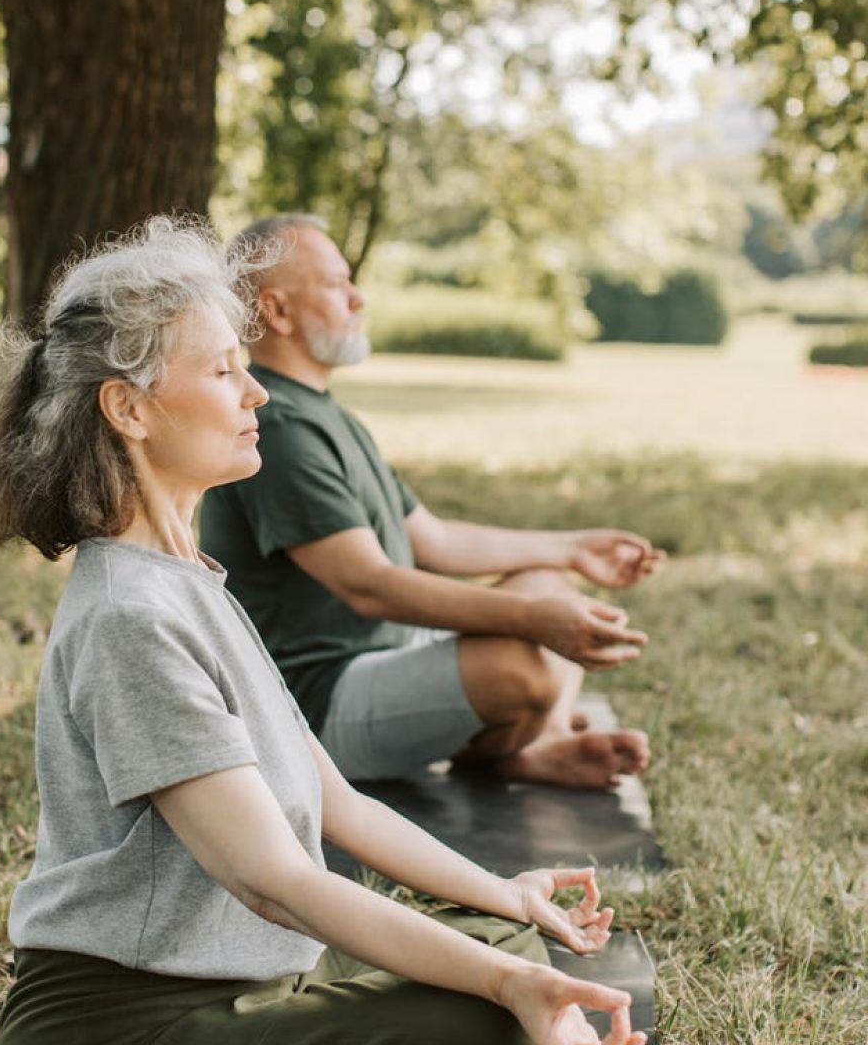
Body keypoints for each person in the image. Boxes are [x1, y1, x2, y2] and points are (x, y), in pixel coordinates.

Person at [0, 216, 646, 1045]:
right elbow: (277, 881)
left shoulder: (191, 583)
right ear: (129, 409)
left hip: (252, 977)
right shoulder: (130, 620)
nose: (256, 392)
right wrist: (511, 985)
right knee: (502, 1009)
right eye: (224, 371)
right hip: (138, 1016)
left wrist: (503, 895)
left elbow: (335, 800)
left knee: (520, 949)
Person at [200, 214, 664, 789]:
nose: (357, 298)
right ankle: (524, 742)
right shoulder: (280, 428)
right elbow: (368, 585)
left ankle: (535, 748)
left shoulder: (325, 414)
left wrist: (572, 549)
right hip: (313, 705)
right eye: (335, 285)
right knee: (525, 666)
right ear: (277, 312)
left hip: (384, 656)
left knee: (548, 584)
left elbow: (435, 541)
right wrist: (534, 621)